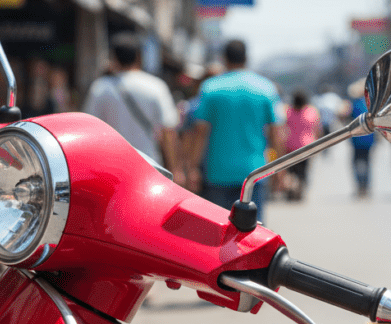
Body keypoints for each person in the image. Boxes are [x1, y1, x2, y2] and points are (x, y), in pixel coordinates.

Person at [189, 39, 281, 220]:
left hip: (216, 173)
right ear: (246, 57)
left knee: (218, 234)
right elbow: (276, 134)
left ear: (224, 58)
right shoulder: (265, 89)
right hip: (254, 173)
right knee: (252, 234)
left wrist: (192, 168)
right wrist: (280, 170)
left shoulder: (210, 88)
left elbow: (200, 133)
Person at [83, 33, 184, 187]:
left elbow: (88, 130)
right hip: (149, 168)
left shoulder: (100, 88)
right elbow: (168, 131)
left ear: (113, 58)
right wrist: (175, 170)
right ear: (139, 57)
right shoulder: (156, 86)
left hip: (111, 170)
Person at [283, 89, 322, 201]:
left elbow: (282, 127)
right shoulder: (311, 112)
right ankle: (300, 190)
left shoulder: (288, 111)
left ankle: (291, 190)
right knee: (303, 171)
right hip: (306, 146)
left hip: (290, 145)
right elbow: (317, 129)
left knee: (291, 171)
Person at [347, 79, 374, 198]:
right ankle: (366, 186)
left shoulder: (353, 105)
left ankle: (359, 186)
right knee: (367, 163)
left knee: (356, 163)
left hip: (356, 140)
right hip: (369, 140)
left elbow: (348, 120)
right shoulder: (370, 104)